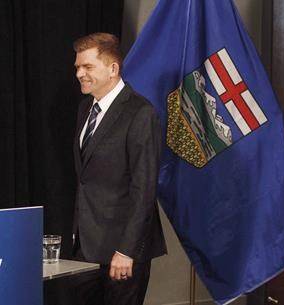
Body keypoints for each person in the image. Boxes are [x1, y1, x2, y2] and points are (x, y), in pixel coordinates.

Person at [71, 32, 166, 305]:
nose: (79, 73)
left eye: (87, 67)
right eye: (78, 67)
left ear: (113, 69)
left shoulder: (140, 113)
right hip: (86, 247)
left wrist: (127, 250)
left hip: (122, 252)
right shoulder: (84, 109)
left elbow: (144, 188)